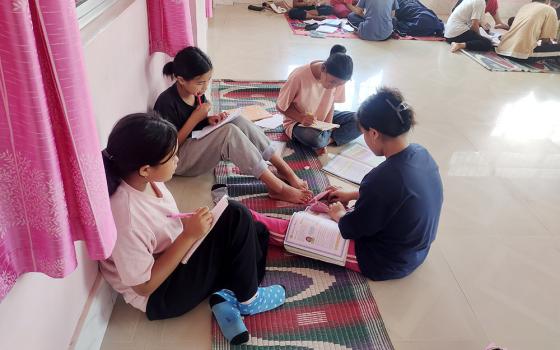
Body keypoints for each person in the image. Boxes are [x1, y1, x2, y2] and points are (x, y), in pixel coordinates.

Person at [99, 113, 286, 345]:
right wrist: (189, 235)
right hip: (162, 295)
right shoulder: (125, 214)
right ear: (145, 169)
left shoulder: (147, 182)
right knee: (237, 216)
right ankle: (249, 299)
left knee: (256, 232)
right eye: (171, 157)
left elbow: (162, 224)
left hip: (176, 260)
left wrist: (189, 227)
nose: (178, 160)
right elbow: (144, 287)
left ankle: (225, 298)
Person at [255, 87, 444, 281]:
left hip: (386, 261)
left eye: (363, 133)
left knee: (299, 231)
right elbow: (396, 197)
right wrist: (352, 195)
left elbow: (351, 229)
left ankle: (248, 219)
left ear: (374, 133)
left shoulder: (382, 179)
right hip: (416, 251)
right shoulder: (421, 154)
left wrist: (339, 215)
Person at [153, 46, 312, 204]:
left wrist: (209, 120)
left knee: (237, 120)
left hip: (195, 145)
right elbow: (170, 148)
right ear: (181, 80)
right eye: (200, 83)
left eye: (208, 81)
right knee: (228, 133)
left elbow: (197, 124)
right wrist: (195, 118)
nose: (205, 87)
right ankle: (278, 189)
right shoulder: (166, 102)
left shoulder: (196, 93)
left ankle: (285, 170)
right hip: (178, 160)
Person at [276, 45, 360, 154]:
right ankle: (324, 139)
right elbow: (280, 106)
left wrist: (328, 127)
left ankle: (327, 140)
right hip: (298, 122)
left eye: (339, 84)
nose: (334, 87)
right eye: (332, 82)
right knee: (313, 138)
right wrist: (301, 118)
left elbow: (331, 104)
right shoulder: (298, 76)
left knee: (362, 120)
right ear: (323, 68)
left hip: (322, 121)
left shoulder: (338, 78)